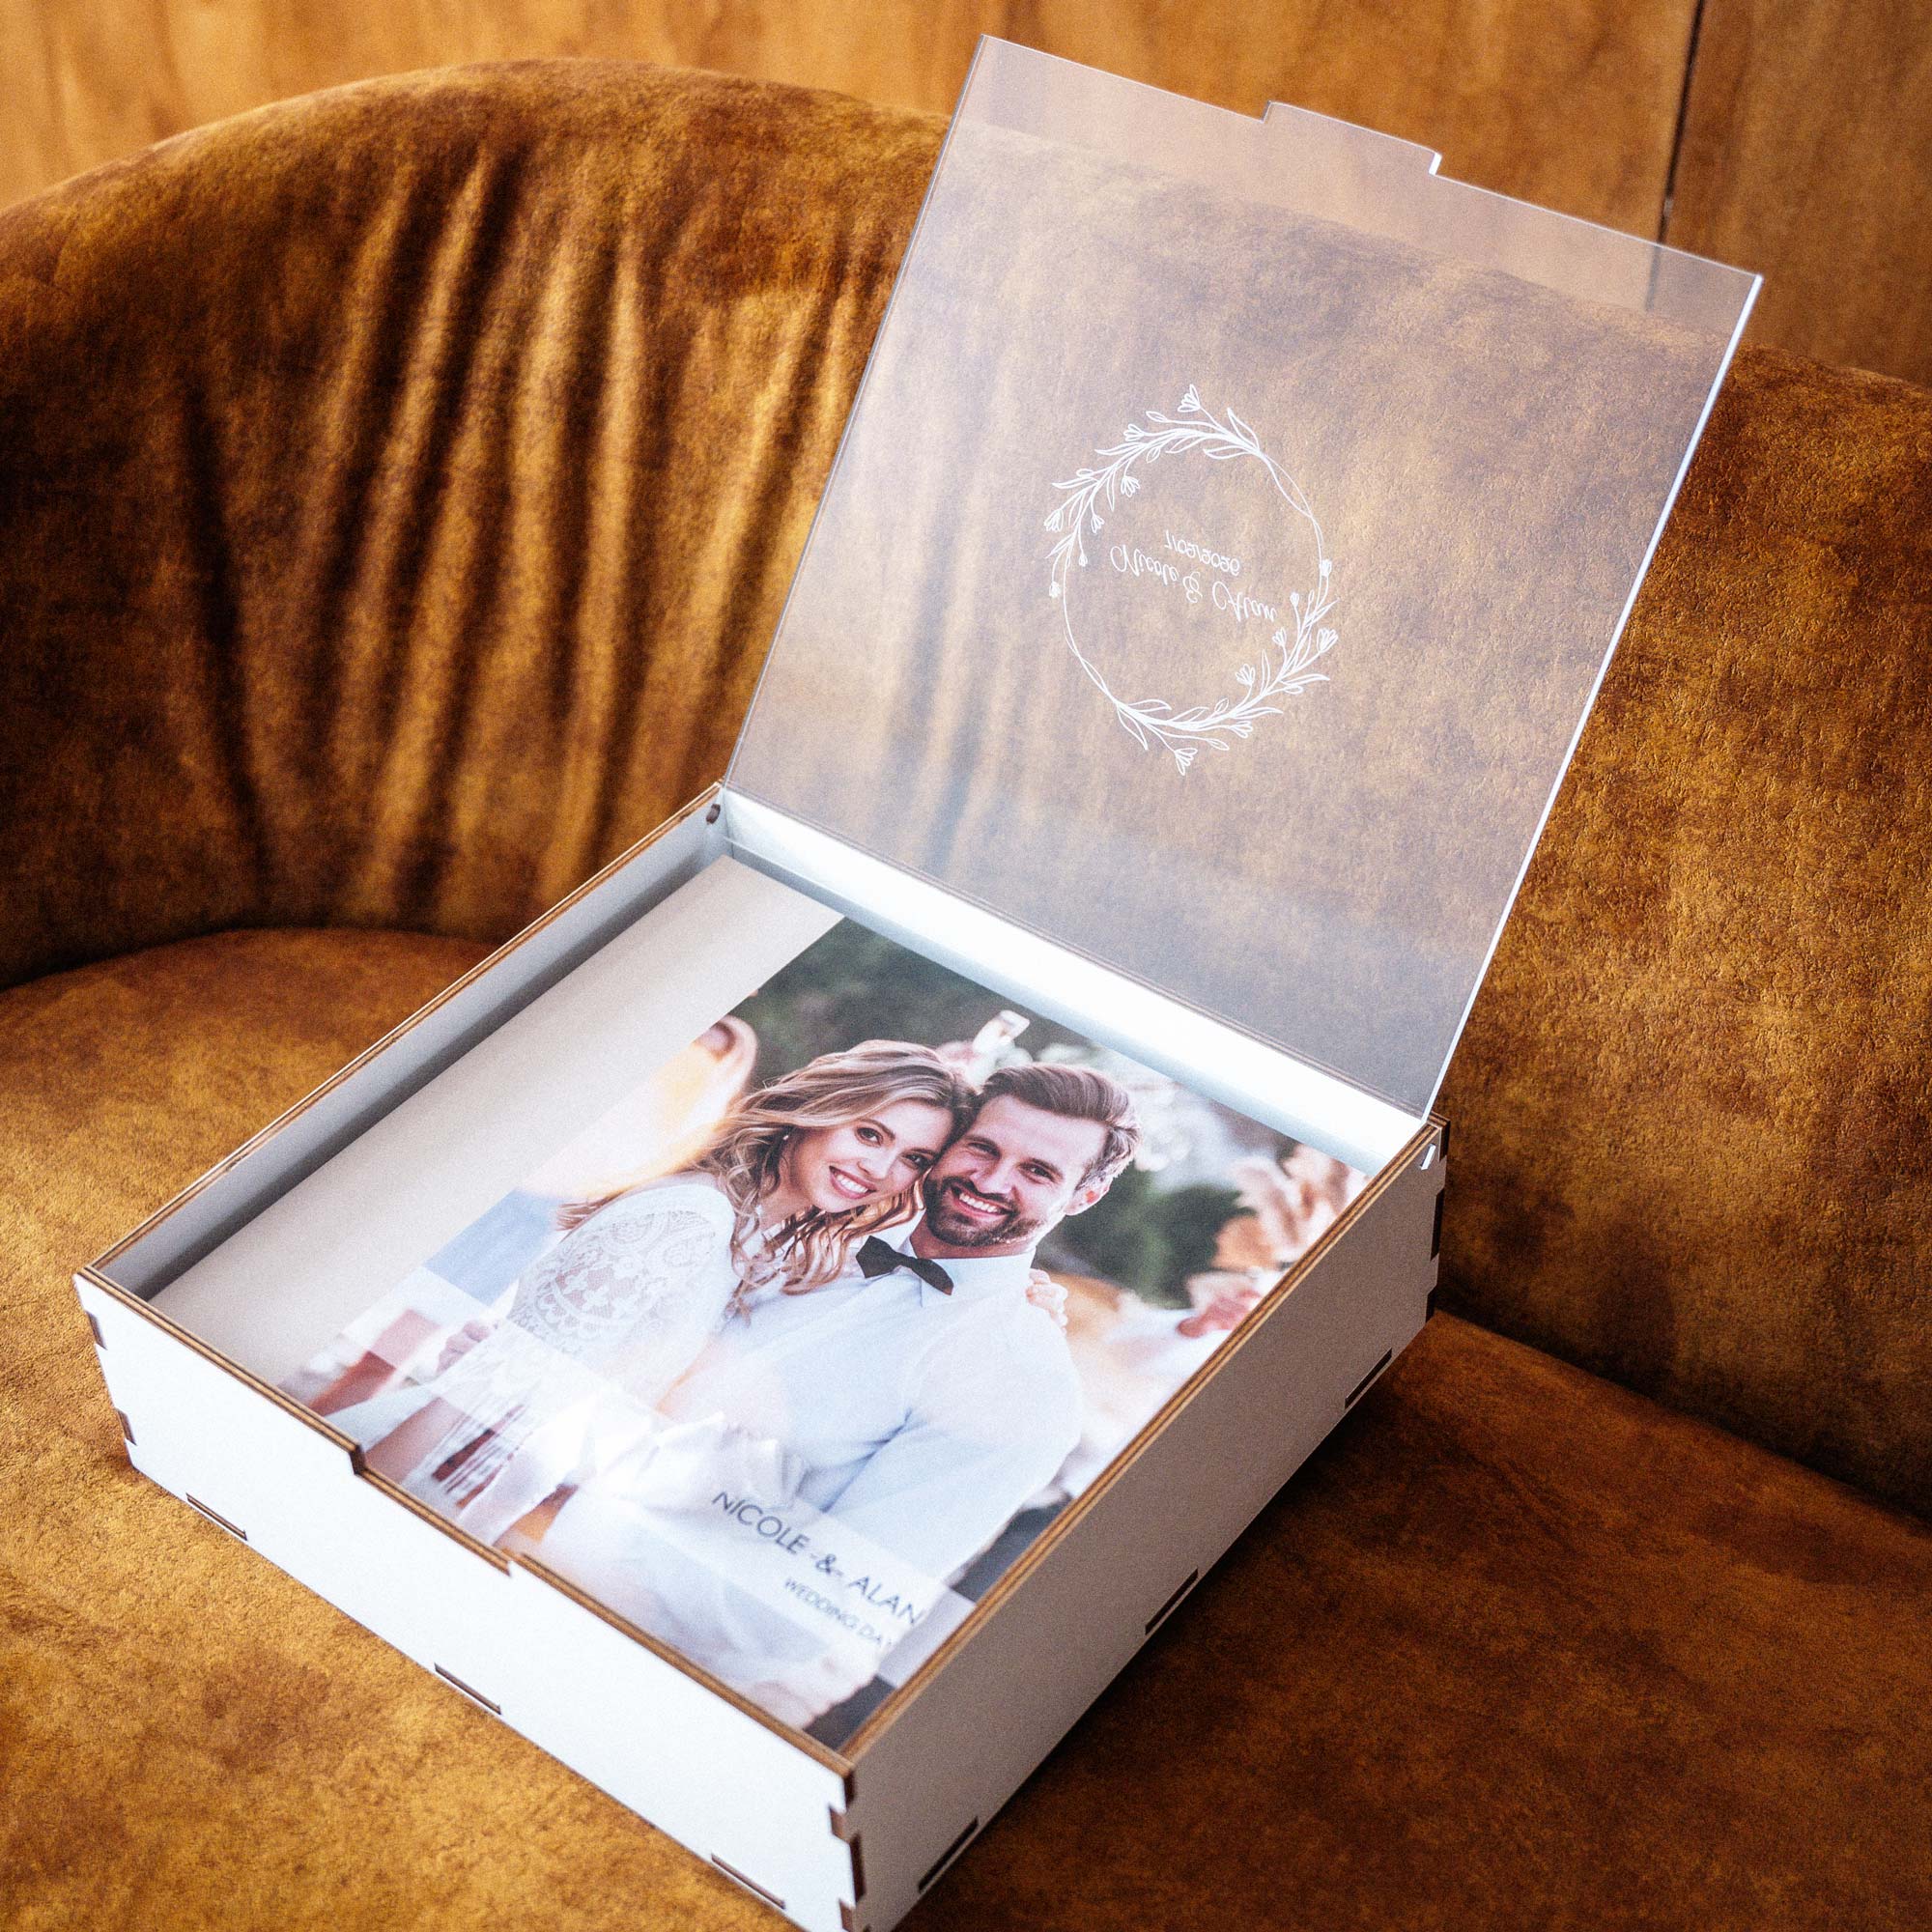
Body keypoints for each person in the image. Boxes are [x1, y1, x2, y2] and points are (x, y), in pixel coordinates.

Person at [534, 1062, 1141, 1725]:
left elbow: (811, 1605)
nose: (991, 1182)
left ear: (1083, 1196)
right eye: (983, 1148)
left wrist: (575, 1544)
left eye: (1039, 1172)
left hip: (637, 1666)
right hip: (530, 1535)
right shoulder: (829, 1235)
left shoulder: (1021, 1384)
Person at [322, 1041, 971, 1543]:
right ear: (817, 1114)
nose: (881, 1170)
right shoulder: (691, 1218)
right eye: (869, 1133)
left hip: (489, 1497)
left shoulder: (760, 1245)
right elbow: (489, 1393)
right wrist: (369, 1506)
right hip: (420, 1483)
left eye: (914, 1159)